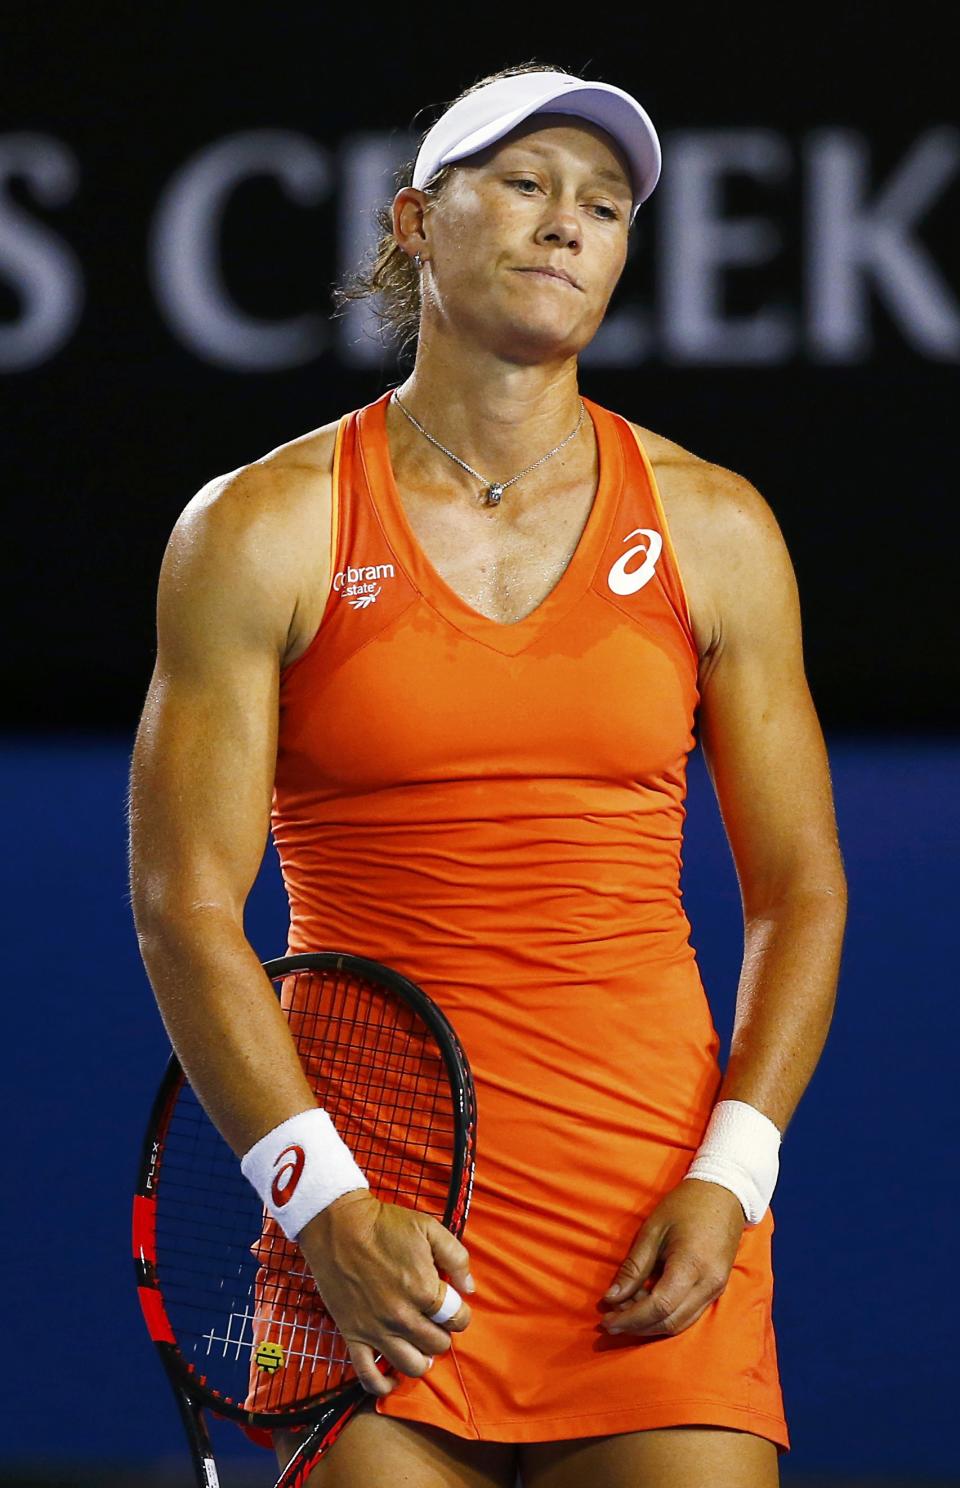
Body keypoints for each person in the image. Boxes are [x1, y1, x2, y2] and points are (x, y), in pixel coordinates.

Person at [128, 62, 848, 1488]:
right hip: (371, 1233)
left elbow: (801, 893)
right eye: (523, 185)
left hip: (653, 1225)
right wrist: (319, 1204)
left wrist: (735, 1178)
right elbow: (186, 905)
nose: (566, 224)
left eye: (603, 205)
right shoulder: (260, 527)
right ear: (415, 222)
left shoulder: (716, 527)